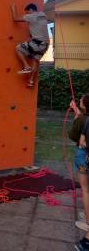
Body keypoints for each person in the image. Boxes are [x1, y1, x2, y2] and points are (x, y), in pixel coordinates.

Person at [10, 3, 49, 87]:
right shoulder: (43, 15)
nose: (27, 14)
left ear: (31, 9)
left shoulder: (31, 16)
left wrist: (13, 9)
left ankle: (26, 66)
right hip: (45, 45)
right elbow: (39, 28)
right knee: (35, 60)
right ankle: (31, 81)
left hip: (38, 43)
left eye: (27, 12)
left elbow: (15, 19)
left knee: (18, 48)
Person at [73, 95, 89, 251]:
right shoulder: (85, 118)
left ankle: (88, 223)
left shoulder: (85, 120)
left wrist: (76, 117)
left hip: (84, 156)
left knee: (85, 190)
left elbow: (80, 140)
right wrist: (75, 111)